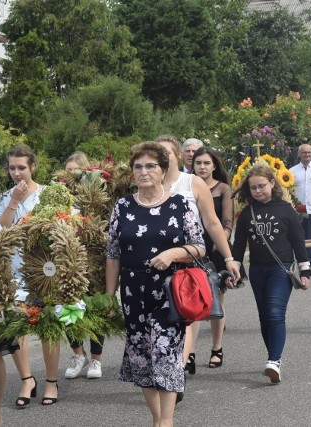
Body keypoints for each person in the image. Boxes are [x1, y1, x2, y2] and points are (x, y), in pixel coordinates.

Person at [105, 141, 206, 427]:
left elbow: (198, 246)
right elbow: (112, 254)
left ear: (163, 171)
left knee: (166, 353)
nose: (144, 171)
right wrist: (109, 296)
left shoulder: (179, 204)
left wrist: (173, 254)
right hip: (133, 293)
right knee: (141, 359)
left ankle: (167, 421)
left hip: (169, 292)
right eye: (138, 167)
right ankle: (158, 419)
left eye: (151, 166)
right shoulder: (123, 206)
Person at [155, 135, 239, 397]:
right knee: (158, 322)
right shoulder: (146, 182)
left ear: (178, 155)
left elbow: (213, 224)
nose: (162, 158)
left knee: (188, 317)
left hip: (189, 261)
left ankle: (177, 370)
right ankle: (166, 369)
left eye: (167, 153)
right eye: (158, 153)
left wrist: (228, 258)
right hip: (155, 264)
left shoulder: (191, 183)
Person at [0, 145, 60, 407]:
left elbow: (67, 224)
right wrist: (13, 202)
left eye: (21, 167)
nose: (17, 173)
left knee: (48, 327)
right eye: (12, 168)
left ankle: (52, 382)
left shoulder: (49, 194)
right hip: (15, 270)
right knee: (18, 325)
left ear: (33, 167)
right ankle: (27, 379)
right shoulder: (4, 196)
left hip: (46, 270)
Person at [232, 165, 310, 383]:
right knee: (265, 316)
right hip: (257, 270)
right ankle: (272, 357)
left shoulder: (286, 210)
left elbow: (298, 241)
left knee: (275, 313)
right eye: (253, 188)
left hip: (281, 268)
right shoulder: (247, 213)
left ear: (272, 184)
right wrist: (234, 268)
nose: (257, 191)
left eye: (262, 186)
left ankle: (274, 360)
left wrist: (305, 271)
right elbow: (238, 246)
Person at [62, 152, 107, 379]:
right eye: (68, 170)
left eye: (76, 171)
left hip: (95, 260)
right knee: (69, 306)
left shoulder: (97, 194)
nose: (71, 175)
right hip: (68, 258)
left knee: (96, 306)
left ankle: (96, 359)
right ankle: (78, 354)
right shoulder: (60, 195)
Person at [191, 147, 235, 369]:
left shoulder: (223, 189)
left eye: (206, 163)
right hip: (191, 247)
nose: (202, 167)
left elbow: (227, 223)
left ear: (214, 165)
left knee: (216, 300)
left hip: (216, 248)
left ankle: (217, 347)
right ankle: (189, 352)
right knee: (193, 300)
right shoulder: (187, 186)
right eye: (198, 163)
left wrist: (221, 244)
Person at [289, 144, 311, 273]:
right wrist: (295, 202)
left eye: (309, 153)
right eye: (304, 152)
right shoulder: (292, 171)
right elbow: (289, 189)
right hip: (298, 209)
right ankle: (303, 262)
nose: (307, 155)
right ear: (299, 154)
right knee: (299, 236)